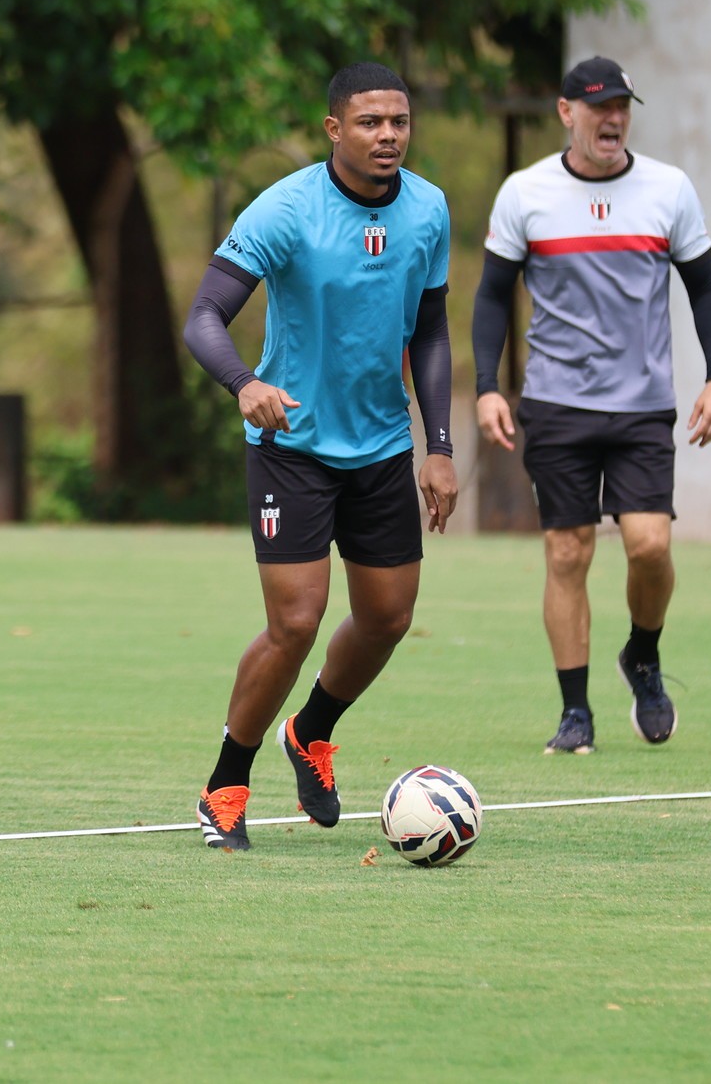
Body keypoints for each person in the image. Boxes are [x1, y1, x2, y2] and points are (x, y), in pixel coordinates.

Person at [182, 62, 459, 851]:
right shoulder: (287, 208)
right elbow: (203, 315)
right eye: (371, 122)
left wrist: (438, 446)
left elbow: (431, 330)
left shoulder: (428, 208)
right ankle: (225, 784)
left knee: (387, 617)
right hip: (292, 446)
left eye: (400, 121)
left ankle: (311, 731)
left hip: (379, 446)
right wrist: (243, 382)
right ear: (335, 129)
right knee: (297, 621)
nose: (389, 136)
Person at [471, 57, 711, 755]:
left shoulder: (667, 189)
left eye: (621, 105)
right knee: (567, 552)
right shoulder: (526, 194)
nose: (612, 117)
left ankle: (642, 655)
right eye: (598, 107)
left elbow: (704, 289)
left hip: (642, 405)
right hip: (557, 403)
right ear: (566, 112)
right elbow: (493, 295)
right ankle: (575, 711)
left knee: (650, 545)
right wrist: (487, 385)